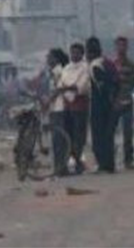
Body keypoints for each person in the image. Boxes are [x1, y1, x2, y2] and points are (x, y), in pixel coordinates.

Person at [85, 37, 118, 173]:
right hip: (110, 105)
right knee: (108, 135)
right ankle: (109, 164)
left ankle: (103, 164)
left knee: (98, 136)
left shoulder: (94, 66)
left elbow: (102, 86)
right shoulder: (108, 62)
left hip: (99, 105)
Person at [59, 42, 91, 173]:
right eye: (72, 52)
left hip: (80, 105)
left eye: (77, 52)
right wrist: (68, 88)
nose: (74, 55)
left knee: (79, 136)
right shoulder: (66, 68)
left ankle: (78, 162)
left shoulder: (85, 68)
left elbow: (81, 87)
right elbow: (61, 84)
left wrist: (69, 87)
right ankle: (71, 161)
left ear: (82, 54)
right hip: (67, 105)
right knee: (68, 135)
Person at [44, 48, 71, 177]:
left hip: (59, 107)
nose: (47, 59)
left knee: (58, 140)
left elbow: (59, 89)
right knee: (58, 140)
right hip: (55, 107)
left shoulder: (59, 71)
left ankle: (60, 168)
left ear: (56, 59)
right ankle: (60, 167)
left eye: (49, 57)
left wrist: (48, 101)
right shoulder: (54, 72)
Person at [113, 36, 134, 169]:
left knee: (128, 133)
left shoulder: (132, 65)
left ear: (127, 47)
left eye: (123, 45)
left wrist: (133, 98)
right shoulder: (112, 64)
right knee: (111, 132)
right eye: (119, 45)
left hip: (127, 102)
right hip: (114, 102)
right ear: (116, 47)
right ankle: (111, 158)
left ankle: (128, 160)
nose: (121, 48)